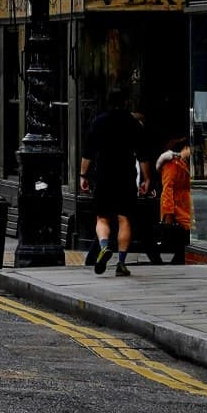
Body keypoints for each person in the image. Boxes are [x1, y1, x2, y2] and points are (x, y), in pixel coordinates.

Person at [83, 86, 144, 276]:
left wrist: (83, 175)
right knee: (124, 218)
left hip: (103, 174)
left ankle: (103, 247)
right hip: (125, 174)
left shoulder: (98, 122)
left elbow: (88, 153)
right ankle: (121, 263)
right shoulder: (132, 123)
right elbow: (143, 155)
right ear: (126, 102)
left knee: (102, 217)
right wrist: (147, 178)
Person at [156, 135, 193, 265]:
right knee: (183, 234)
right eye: (190, 149)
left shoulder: (183, 162)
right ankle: (175, 259)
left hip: (183, 204)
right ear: (185, 148)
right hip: (177, 206)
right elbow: (168, 188)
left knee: (184, 235)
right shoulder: (172, 164)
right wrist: (168, 214)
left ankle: (177, 259)